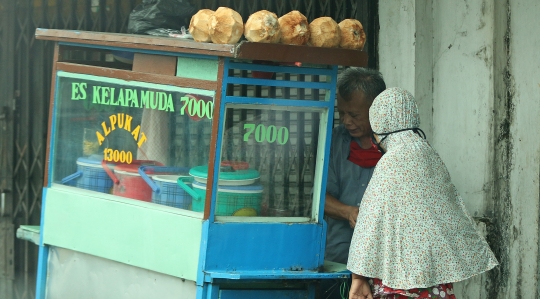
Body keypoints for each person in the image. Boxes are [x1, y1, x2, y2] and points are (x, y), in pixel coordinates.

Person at [347, 87, 498, 299]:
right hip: (435, 278)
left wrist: (358, 278)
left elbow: (369, 222)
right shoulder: (430, 155)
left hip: (397, 282)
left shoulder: (391, 161)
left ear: (379, 128)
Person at [320, 67, 386, 299]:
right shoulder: (334, 142)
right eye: (342, 113)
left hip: (384, 266)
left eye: (355, 115)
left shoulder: (396, 148)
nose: (347, 121)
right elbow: (319, 197)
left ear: (377, 109)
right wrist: (348, 212)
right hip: (337, 260)